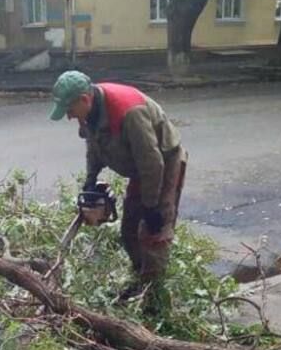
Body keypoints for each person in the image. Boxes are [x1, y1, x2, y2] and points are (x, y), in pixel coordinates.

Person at [48, 70, 187, 307]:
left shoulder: (129, 112)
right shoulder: (89, 113)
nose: (69, 117)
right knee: (129, 230)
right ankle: (139, 278)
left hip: (162, 164)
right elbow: (94, 146)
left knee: (152, 232)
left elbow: (152, 163)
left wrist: (152, 207)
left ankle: (154, 298)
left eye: (70, 110)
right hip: (139, 168)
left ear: (84, 99)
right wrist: (91, 179)